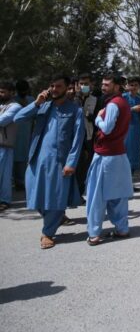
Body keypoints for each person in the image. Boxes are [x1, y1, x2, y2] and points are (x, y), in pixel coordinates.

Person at [14, 75, 85, 249]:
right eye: (52, 86)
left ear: (67, 88)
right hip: (36, 159)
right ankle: (57, 216)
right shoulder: (43, 106)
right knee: (33, 195)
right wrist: (36, 103)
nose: (54, 89)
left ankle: (47, 232)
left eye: (59, 86)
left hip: (59, 161)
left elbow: (78, 139)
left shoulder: (75, 110)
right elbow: (17, 118)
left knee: (55, 197)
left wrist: (71, 163)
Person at [85, 74, 134, 245]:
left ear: (116, 86)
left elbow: (106, 128)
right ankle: (122, 229)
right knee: (118, 195)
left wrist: (97, 117)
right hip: (118, 154)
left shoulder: (113, 104)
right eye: (103, 84)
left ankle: (94, 234)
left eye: (107, 84)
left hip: (106, 156)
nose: (103, 87)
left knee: (96, 196)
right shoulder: (123, 103)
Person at [74, 73, 99, 197]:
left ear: (91, 85)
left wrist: (91, 116)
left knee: (85, 165)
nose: (84, 86)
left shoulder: (95, 100)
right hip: (74, 137)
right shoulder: (73, 99)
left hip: (88, 136)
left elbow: (98, 119)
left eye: (86, 84)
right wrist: (78, 97)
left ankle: (80, 191)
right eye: (82, 84)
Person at [0, 82, 23, 211]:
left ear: (11, 93)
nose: (0, 94)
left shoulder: (15, 107)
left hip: (5, 145)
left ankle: (5, 201)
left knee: (4, 176)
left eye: (3, 92)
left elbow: (2, 121)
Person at [12, 80, 34, 190]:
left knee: (23, 158)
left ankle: (20, 181)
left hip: (26, 134)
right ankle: (13, 180)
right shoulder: (12, 101)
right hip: (12, 135)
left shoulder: (32, 100)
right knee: (12, 157)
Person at [124, 76, 140, 173]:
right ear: (127, 86)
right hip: (126, 129)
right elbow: (119, 111)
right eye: (131, 85)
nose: (133, 87)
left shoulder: (139, 99)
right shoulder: (123, 97)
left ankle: (131, 183)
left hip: (137, 129)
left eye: (136, 85)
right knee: (126, 155)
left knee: (135, 154)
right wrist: (132, 109)